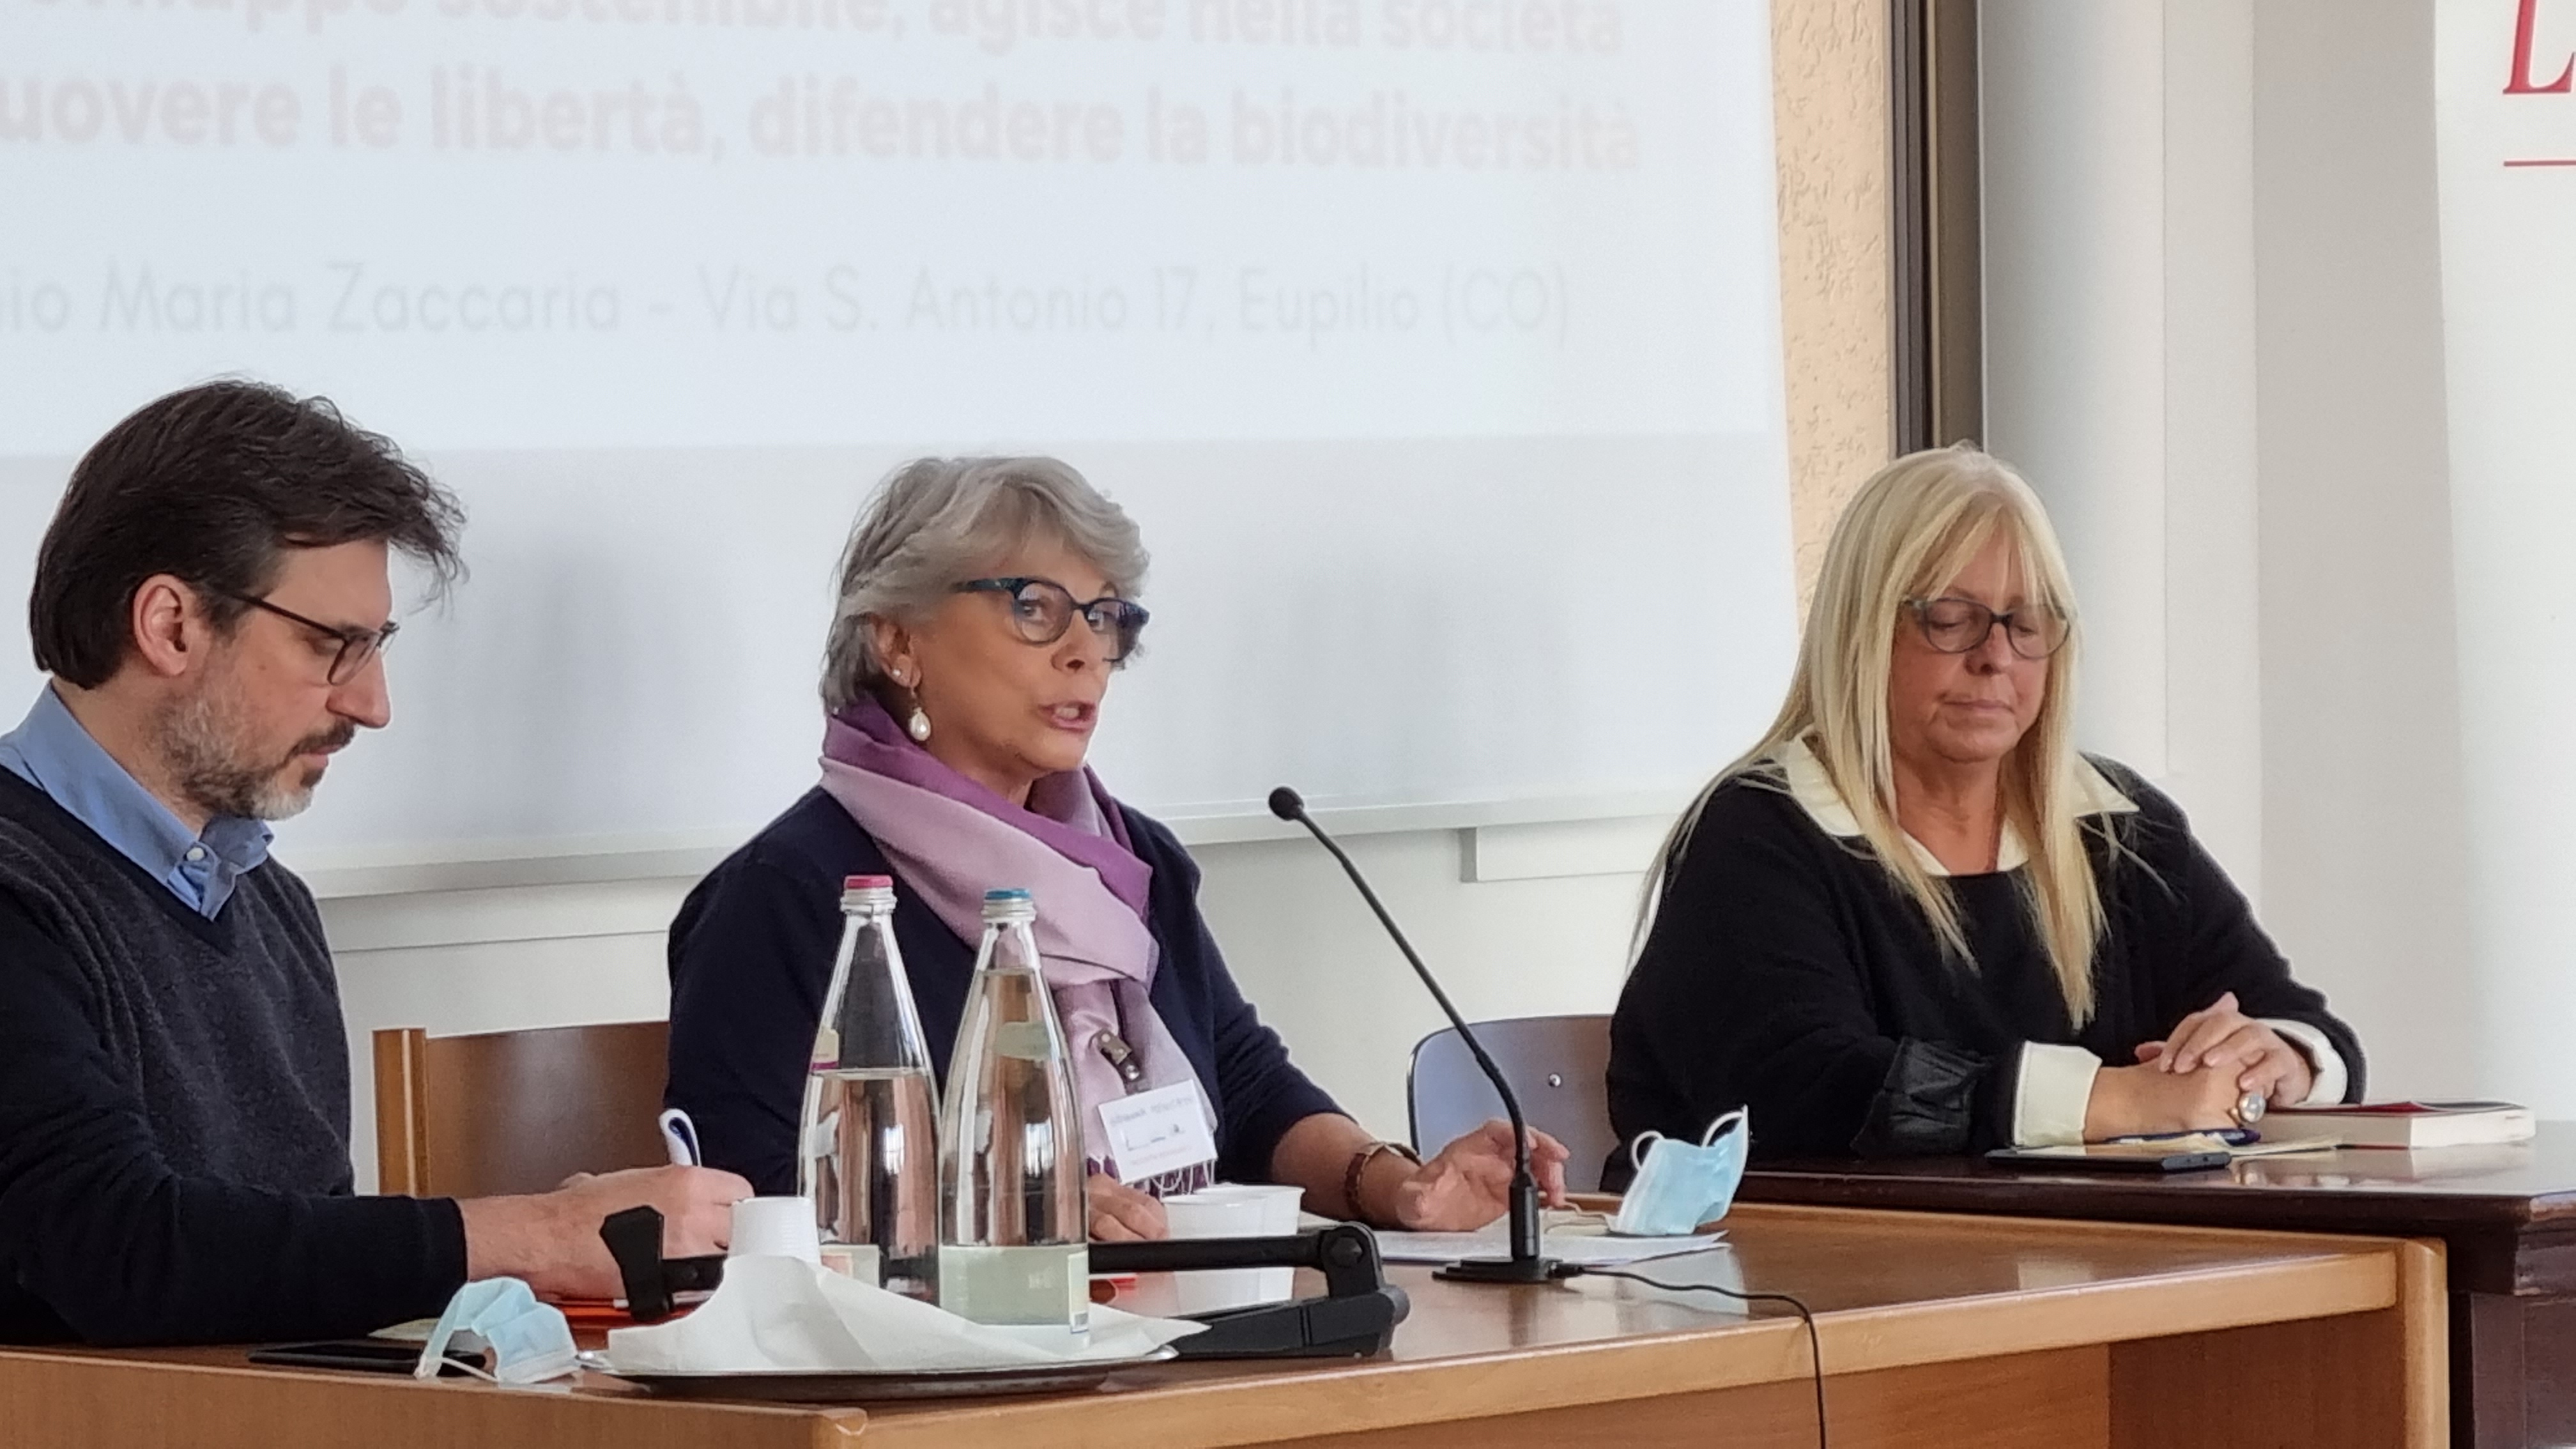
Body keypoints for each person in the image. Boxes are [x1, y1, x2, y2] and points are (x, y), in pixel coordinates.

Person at [0, 381, 749, 1346]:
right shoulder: (19, 891)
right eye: (332, 647)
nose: (372, 704)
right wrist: (538, 1237)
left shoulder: (271, 907)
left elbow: (283, 1286)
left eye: (375, 646)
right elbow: (115, 1252)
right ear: (171, 625)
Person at [666, 456, 1567, 1239]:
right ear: (899, 641)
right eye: (1035, 609)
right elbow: (753, 1196)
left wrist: (1395, 1185)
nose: (1085, 653)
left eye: (1104, 617)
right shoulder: (789, 894)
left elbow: (1247, 1089)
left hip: (1177, 1321)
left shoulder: (1137, 861)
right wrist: (1013, 1217)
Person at [1605, 445, 2362, 1178]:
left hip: (2095, 1252)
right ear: (1863, 632)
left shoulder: (2120, 827)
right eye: (1950, 618)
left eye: (2026, 624)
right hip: (1803, 1256)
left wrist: (2274, 1060)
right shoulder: (1758, 833)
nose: (1995, 656)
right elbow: (1804, 1088)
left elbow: (2304, 1024)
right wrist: (2114, 1101)